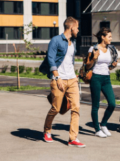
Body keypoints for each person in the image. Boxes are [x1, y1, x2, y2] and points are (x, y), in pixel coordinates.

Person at [39, 16, 85, 147]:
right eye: (77, 27)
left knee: (76, 107)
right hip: (59, 79)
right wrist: (57, 77)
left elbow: (69, 61)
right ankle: (47, 131)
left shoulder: (72, 43)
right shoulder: (56, 40)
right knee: (56, 108)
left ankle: (73, 138)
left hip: (72, 80)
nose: (78, 30)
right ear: (71, 27)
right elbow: (51, 59)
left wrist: (74, 75)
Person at [86, 27, 118, 138]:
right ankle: (97, 129)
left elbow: (108, 66)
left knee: (112, 103)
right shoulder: (93, 49)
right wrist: (94, 58)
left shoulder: (111, 49)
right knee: (96, 105)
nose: (111, 38)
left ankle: (103, 124)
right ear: (102, 37)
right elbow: (87, 65)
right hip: (95, 77)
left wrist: (112, 66)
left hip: (106, 78)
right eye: (109, 36)